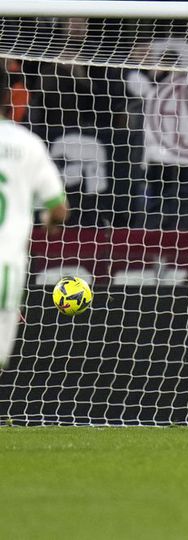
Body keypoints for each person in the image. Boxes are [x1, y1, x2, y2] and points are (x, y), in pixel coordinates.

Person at [0, 70, 69, 371]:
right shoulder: (28, 144)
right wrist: (49, 221)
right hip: (6, 267)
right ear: (9, 99)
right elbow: (59, 208)